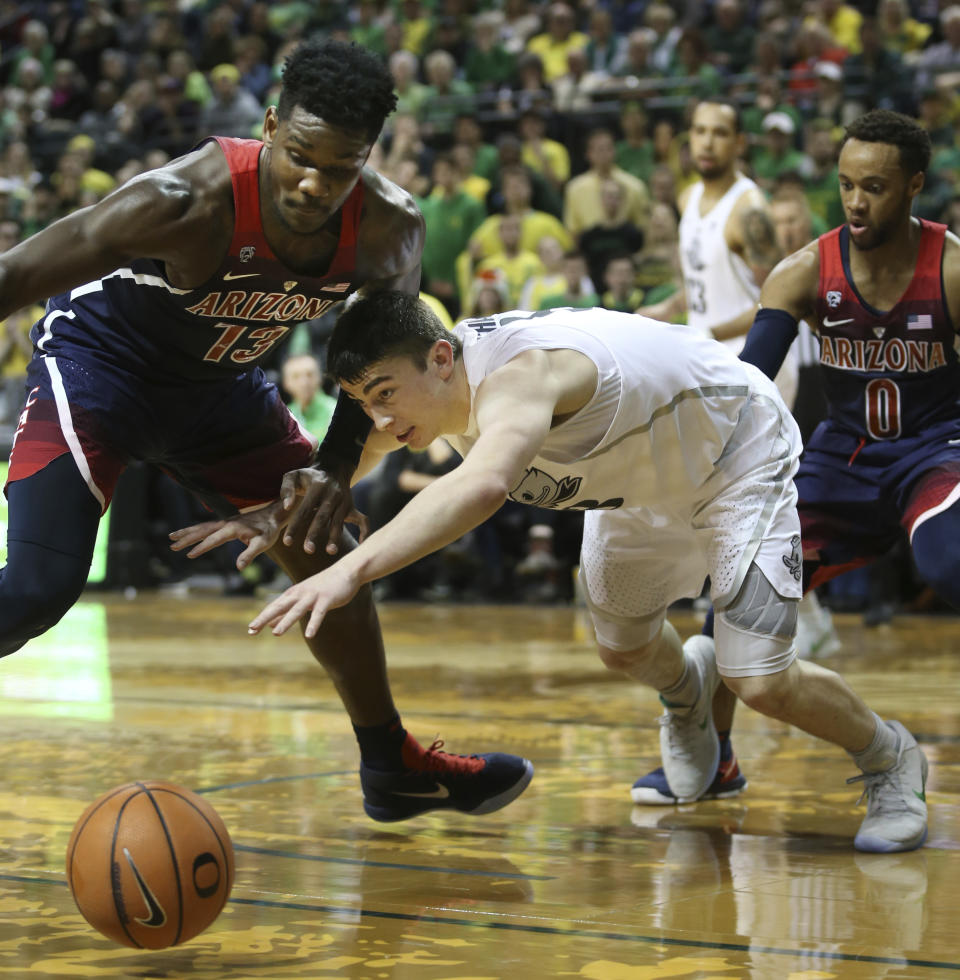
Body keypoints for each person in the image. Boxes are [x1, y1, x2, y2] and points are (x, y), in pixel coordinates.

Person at [0, 37, 532, 823]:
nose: (316, 184)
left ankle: (390, 764)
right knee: (42, 588)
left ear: (370, 158)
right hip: (101, 369)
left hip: (219, 390)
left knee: (330, 555)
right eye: (301, 157)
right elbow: (15, 275)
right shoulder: (182, 198)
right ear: (272, 125)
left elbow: (371, 358)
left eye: (341, 167)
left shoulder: (389, 230)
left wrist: (337, 463)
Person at [231, 291, 927, 854]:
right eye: (362, 401)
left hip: (733, 453)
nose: (378, 416)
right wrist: (273, 514)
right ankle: (688, 694)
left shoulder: (523, 376)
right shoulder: (432, 390)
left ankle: (890, 758)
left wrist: (348, 570)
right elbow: (357, 459)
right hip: (638, 481)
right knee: (621, 647)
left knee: (762, 679)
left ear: (442, 358)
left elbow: (482, 487)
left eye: (384, 393)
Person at [639, 108, 959, 825]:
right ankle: (717, 756)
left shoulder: (953, 268)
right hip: (840, 458)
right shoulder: (805, 271)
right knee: (736, 591)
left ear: (914, 186)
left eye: (874, 187)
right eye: (846, 185)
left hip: (935, 451)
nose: (855, 202)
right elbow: (749, 385)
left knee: (951, 563)